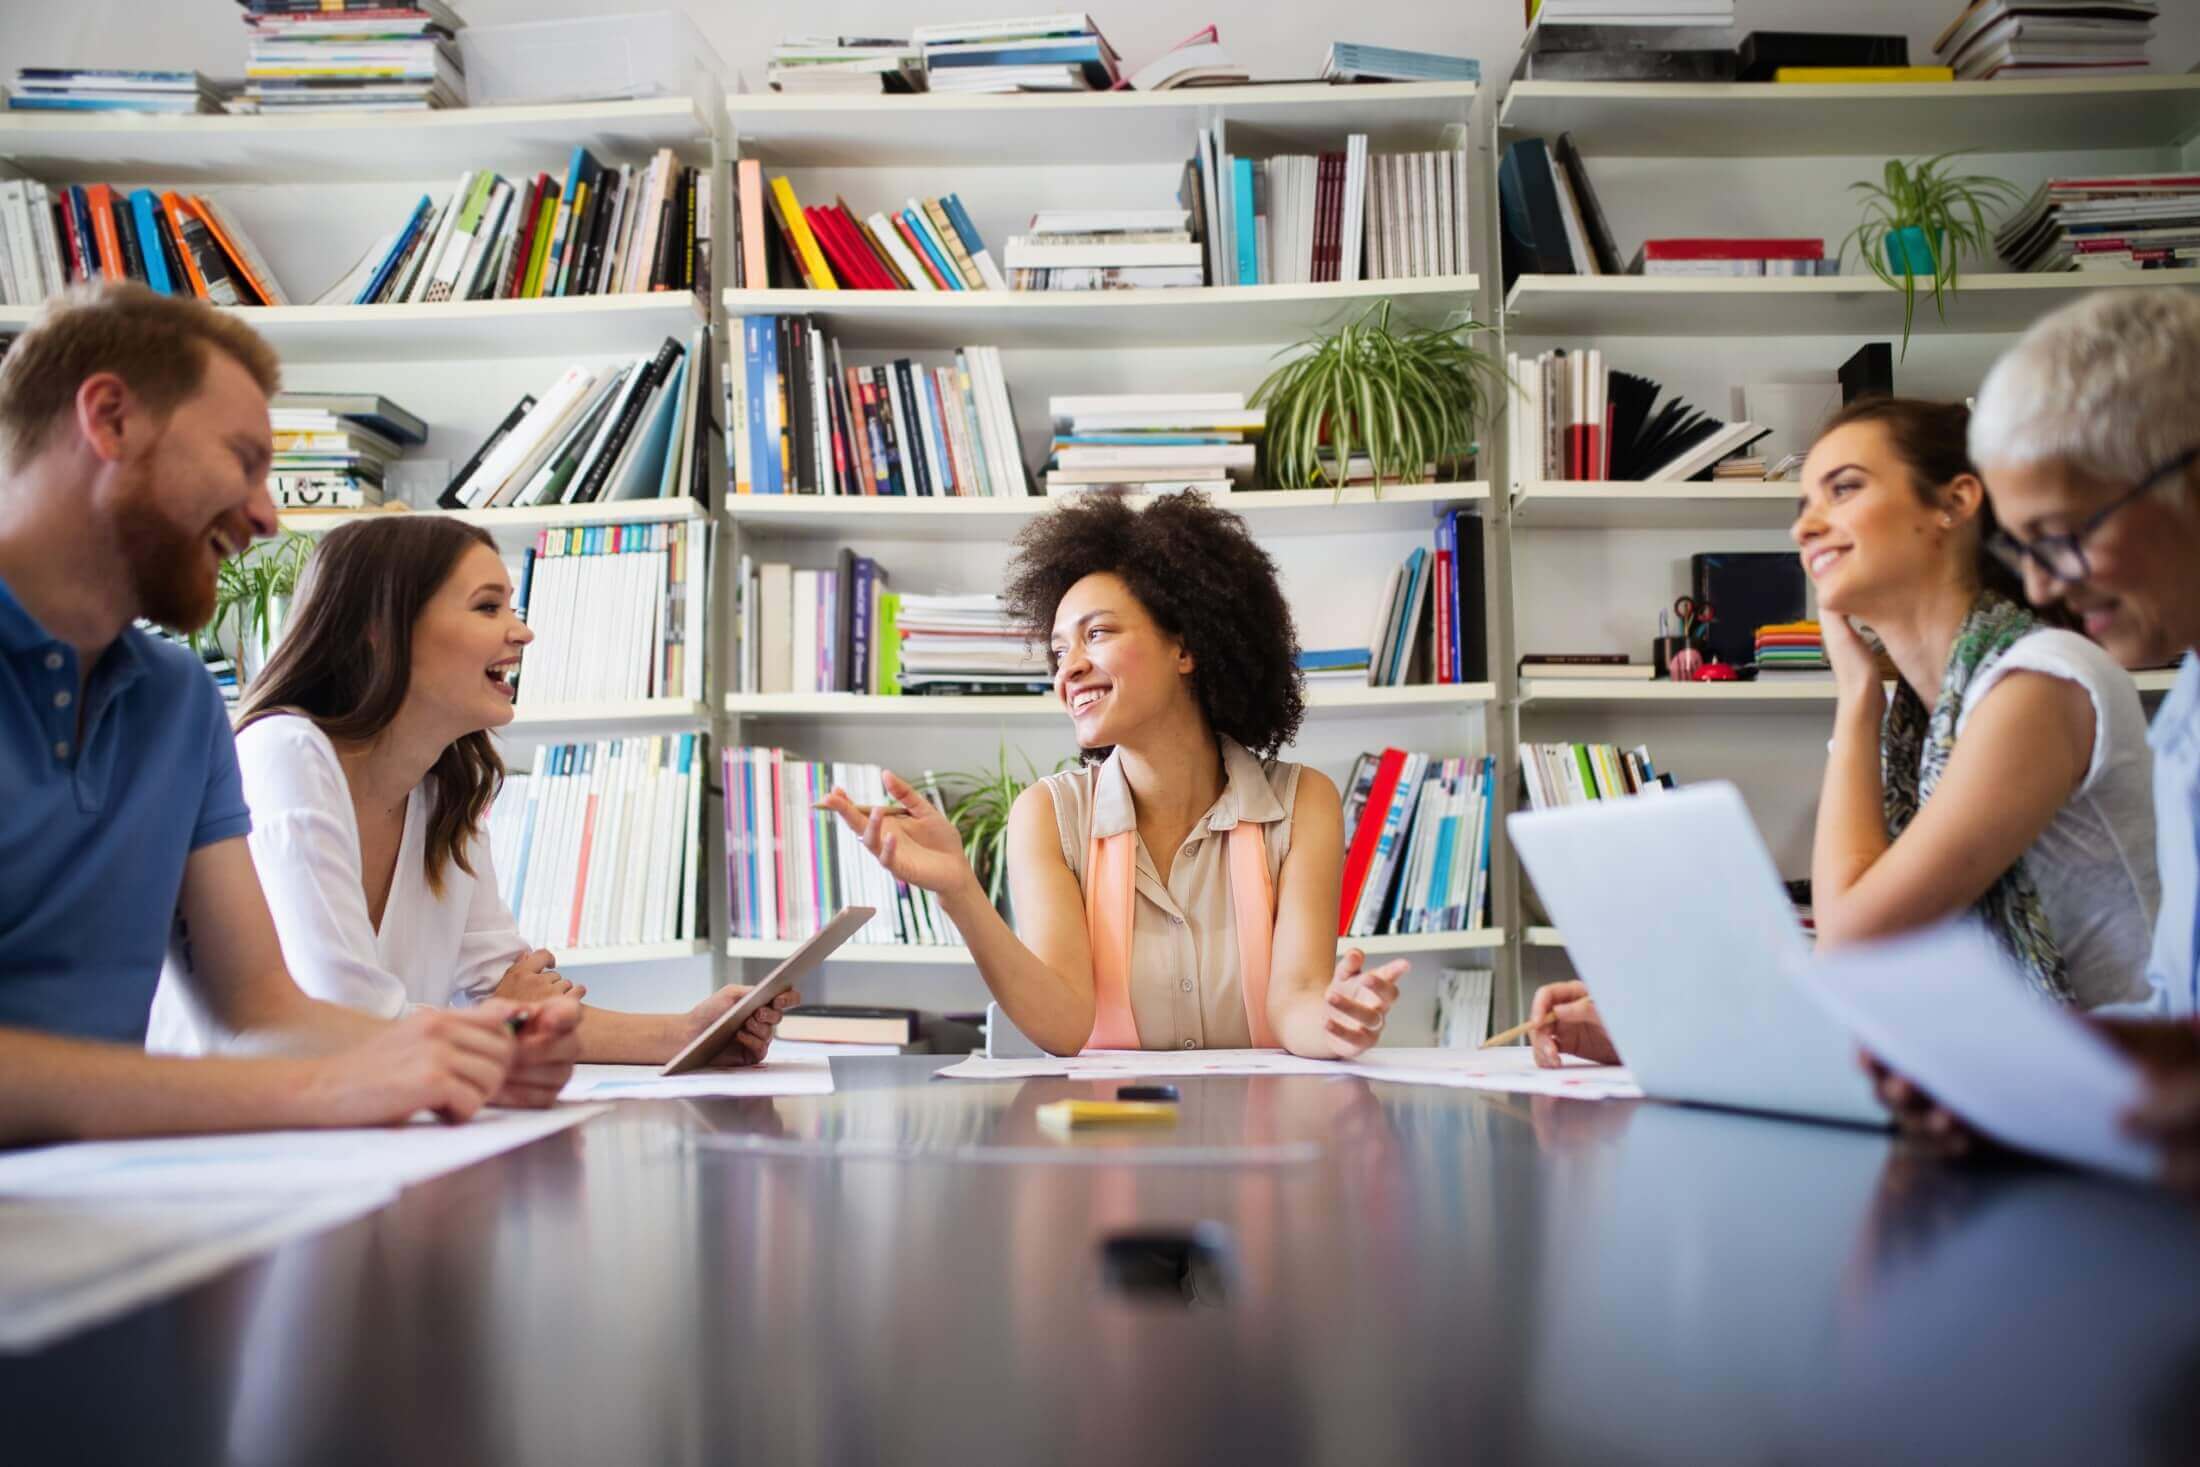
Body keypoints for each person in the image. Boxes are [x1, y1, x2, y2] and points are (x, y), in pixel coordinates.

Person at [0, 283, 576, 1146]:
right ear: (110, 420)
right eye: (241, 459)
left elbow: (259, 1007)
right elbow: (291, 1060)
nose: (268, 516)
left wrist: (470, 1051)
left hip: (96, 1209)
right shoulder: (271, 742)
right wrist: (325, 1085)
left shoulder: (178, 700)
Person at [1530, 396, 2159, 1068]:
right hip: (2023, 1098)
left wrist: (1857, 697)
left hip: (2124, 1122)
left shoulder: (2039, 682)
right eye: (1804, 503)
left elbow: (1854, 938)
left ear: (1953, 502)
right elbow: (1861, 976)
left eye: (1845, 488)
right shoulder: (1930, 723)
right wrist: (1655, 1023)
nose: (1807, 526)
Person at [147, 516, 794, 1066]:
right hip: (231, 1151)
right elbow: (342, 1017)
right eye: (488, 606)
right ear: (382, 629)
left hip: (362, 1133)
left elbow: (511, 998)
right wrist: (504, 1019)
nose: (522, 632)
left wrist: (688, 1032)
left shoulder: (445, 788)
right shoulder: (286, 754)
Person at [818, 491, 1403, 1058]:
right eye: (1058, 649)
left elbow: (1296, 999)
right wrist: (960, 892)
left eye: (1096, 634)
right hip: (1106, 1143)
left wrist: (1334, 1024)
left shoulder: (1304, 804)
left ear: (1185, 648)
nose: (1068, 668)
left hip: (1269, 1141)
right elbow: (1064, 1023)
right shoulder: (1047, 816)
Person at [1873, 290, 2200, 1184]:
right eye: (2025, 550)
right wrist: (2014, 1069)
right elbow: (2181, 1018)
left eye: (2063, 538)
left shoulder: (2048, 677)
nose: (2048, 588)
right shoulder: (2187, 721)